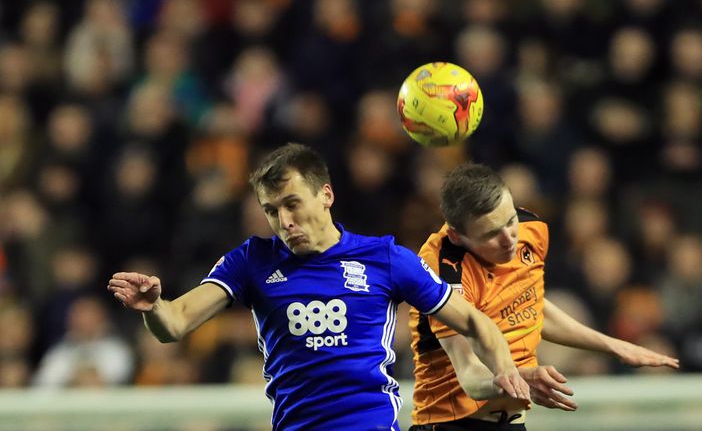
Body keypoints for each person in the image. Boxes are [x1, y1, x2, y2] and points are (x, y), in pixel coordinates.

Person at [108, 143, 531, 431]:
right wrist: (153, 307)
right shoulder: (253, 260)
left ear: (325, 195)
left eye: (292, 204)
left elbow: (475, 321)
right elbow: (176, 323)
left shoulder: (383, 258)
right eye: (271, 211)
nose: (284, 221)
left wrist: (505, 371)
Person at [409, 163, 679, 431]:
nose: (509, 240)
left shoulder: (532, 228)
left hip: (511, 423)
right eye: (492, 233)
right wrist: (518, 378)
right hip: (451, 424)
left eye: (510, 220)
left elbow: (530, 304)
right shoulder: (442, 270)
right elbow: (469, 374)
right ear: (457, 236)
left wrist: (613, 345)